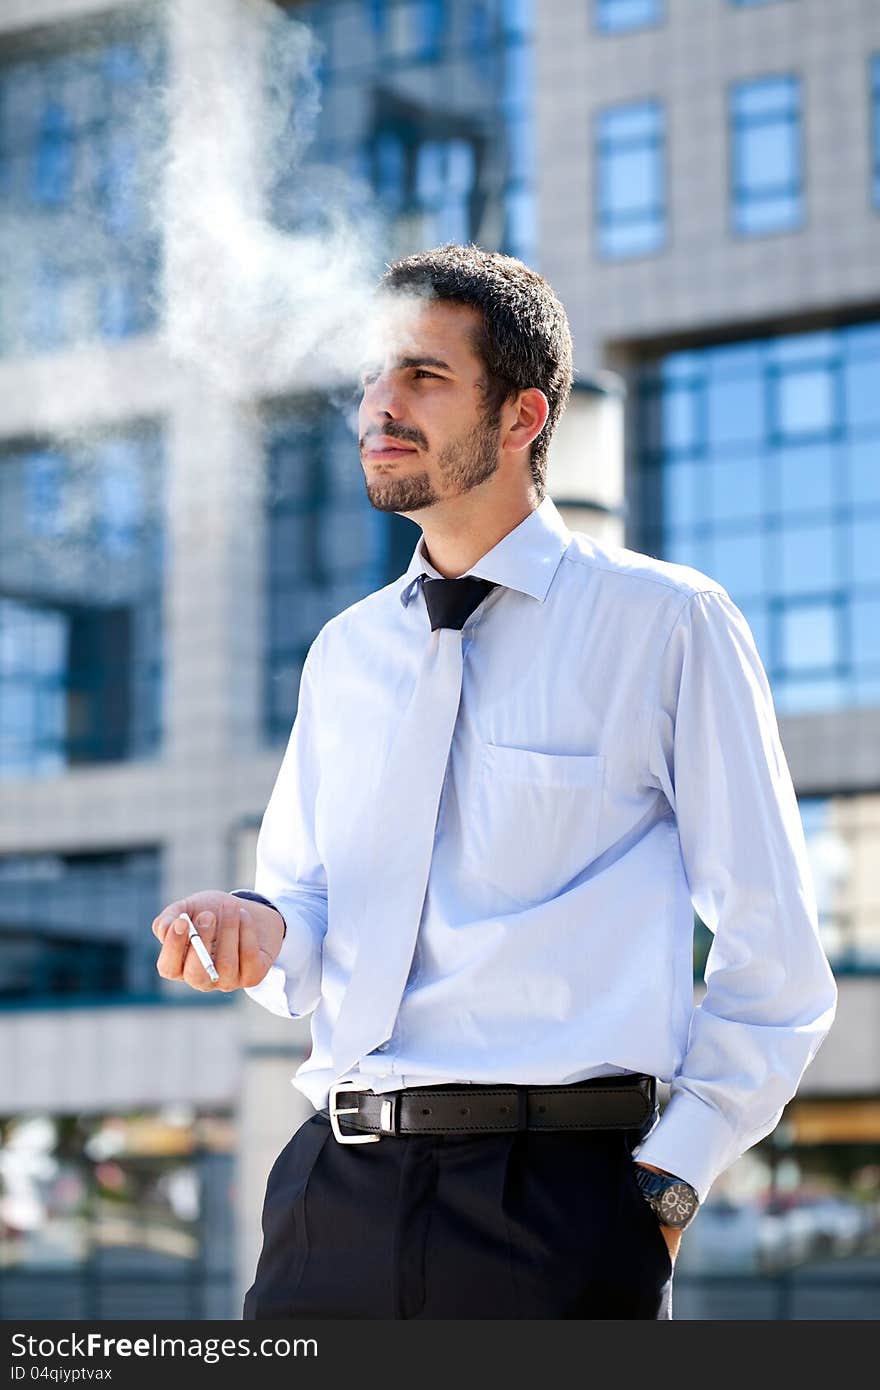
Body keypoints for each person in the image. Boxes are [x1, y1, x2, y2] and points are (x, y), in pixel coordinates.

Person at [152, 243, 838, 1320]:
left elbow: (778, 961)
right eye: (374, 376)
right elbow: (309, 898)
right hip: (334, 1191)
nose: (380, 404)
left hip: (558, 1205)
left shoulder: (665, 624)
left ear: (522, 417)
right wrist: (253, 923)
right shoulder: (345, 651)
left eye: (423, 376)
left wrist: (663, 1187)